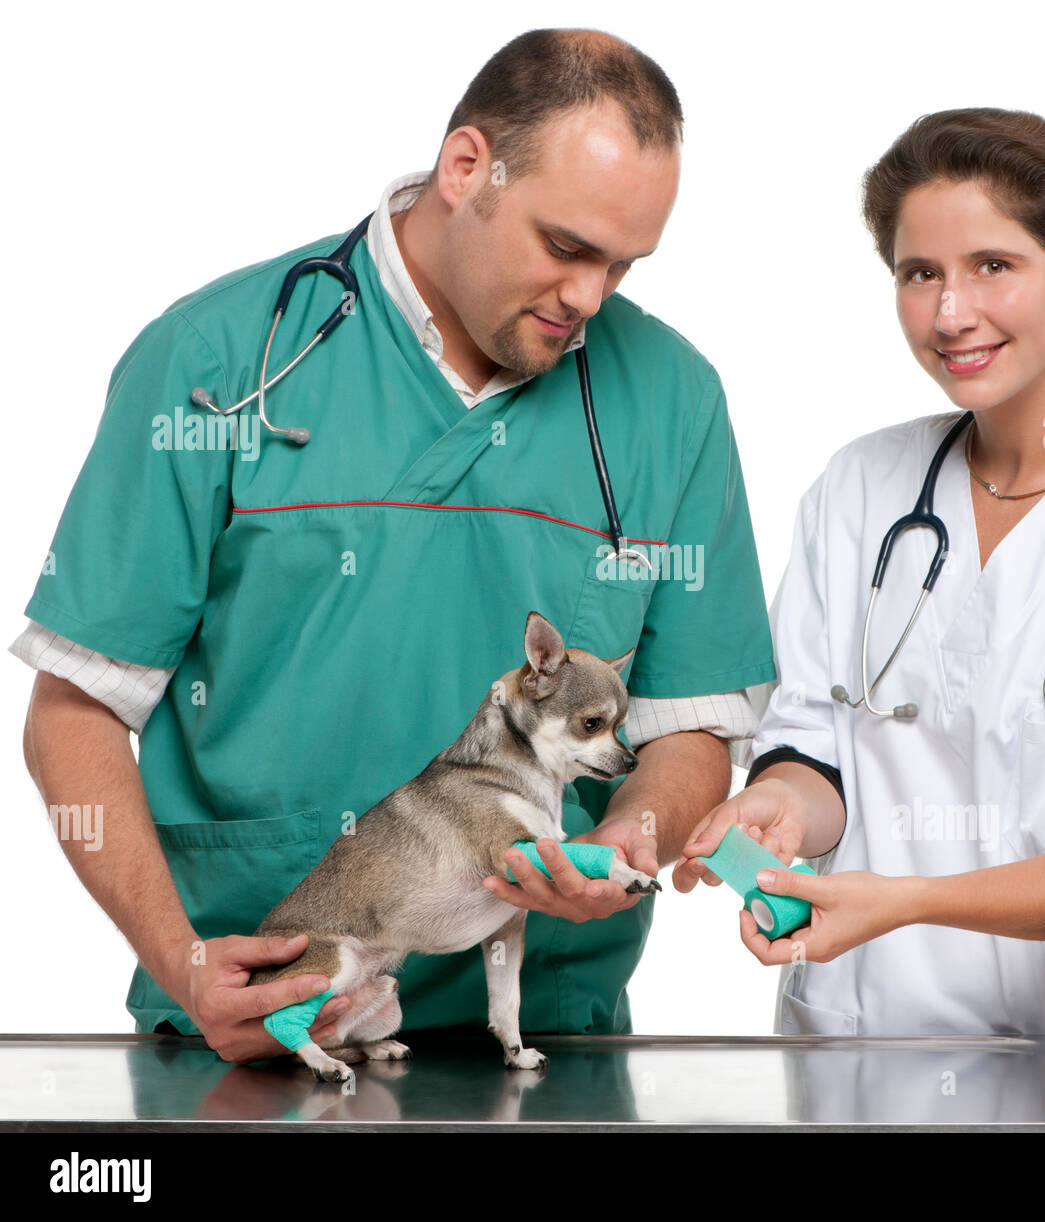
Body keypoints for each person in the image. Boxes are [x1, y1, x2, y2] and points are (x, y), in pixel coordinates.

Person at [16, 28, 775, 1064]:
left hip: (545, 1043)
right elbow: (76, 711)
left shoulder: (671, 400)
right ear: (465, 168)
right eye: (565, 246)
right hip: (257, 1027)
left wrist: (622, 841)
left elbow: (692, 728)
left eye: (623, 263)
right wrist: (186, 966)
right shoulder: (218, 364)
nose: (590, 299)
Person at [676, 108, 1045, 1133]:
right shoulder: (860, 491)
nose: (950, 312)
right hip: (860, 1060)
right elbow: (816, 750)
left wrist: (902, 902)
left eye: (993, 264)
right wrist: (777, 806)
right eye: (918, 273)